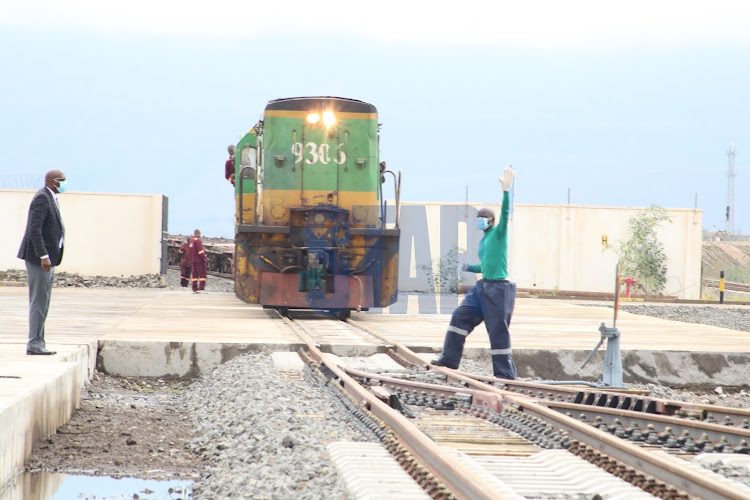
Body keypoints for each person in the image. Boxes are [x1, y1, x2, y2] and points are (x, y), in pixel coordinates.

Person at [431, 167, 518, 379]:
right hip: (482, 288)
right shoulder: (484, 240)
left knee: (498, 332)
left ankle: (505, 375)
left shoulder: (499, 233)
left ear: (492, 221)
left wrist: (506, 192)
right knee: (459, 317)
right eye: (478, 217)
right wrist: (468, 268)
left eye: (484, 217)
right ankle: (450, 359)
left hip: (499, 289)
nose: (480, 219)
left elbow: (506, 214)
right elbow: (485, 267)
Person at [17, 170, 68, 355]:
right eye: (61, 180)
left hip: (50, 259)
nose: (64, 183)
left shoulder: (51, 197)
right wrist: (43, 256)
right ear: (51, 181)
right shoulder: (42, 198)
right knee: (38, 301)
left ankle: (39, 341)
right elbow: (34, 229)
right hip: (39, 259)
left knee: (44, 301)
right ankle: (34, 344)